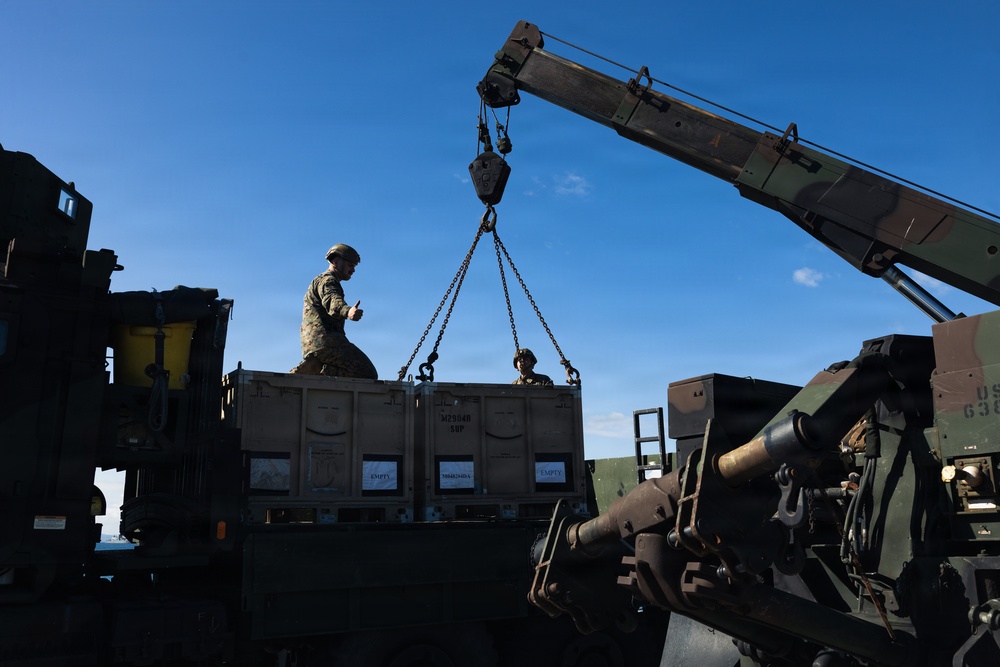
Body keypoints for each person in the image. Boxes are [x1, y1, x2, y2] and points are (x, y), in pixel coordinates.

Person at [290, 243, 378, 379]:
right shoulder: (327, 281)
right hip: (326, 341)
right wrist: (347, 311)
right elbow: (332, 300)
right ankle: (318, 369)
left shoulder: (322, 280)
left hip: (314, 343)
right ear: (335, 261)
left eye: (354, 266)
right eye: (350, 265)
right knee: (367, 373)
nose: (353, 270)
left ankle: (316, 365)